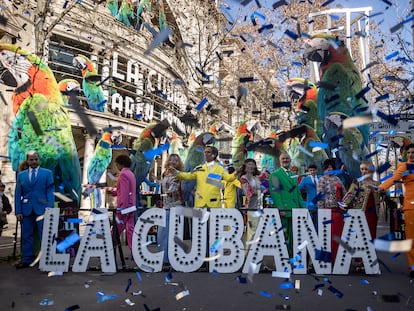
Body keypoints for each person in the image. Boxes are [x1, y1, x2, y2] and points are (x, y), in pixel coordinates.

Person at [378, 143, 414, 278]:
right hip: (410, 207)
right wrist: (382, 187)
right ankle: (412, 267)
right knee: (411, 238)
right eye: (409, 153)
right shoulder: (404, 167)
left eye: (413, 152)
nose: (411, 155)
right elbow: (394, 179)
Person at [15, 151, 54, 268]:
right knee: (26, 235)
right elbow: (18, 194)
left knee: (44, 234)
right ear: (27, 161)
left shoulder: (47, 173)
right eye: (31, 160)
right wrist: (18, 211)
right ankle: (26, 259)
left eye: (36, 159)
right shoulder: (21, 175)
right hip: (26, 209)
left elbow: (50, 191)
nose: (34, 162)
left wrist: (50, 208)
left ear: (39, 160)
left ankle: (46, 259)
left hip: (42, 209)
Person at [174, 146, 239, 208]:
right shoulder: (199, 168)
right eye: (205, 152)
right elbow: (188, 176)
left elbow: (228, 178)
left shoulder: (220, 168)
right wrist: (176, 173)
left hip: (214, 204)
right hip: (200, 203)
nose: (206, 154)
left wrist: (236, 172)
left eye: (208, 152)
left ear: (214, 155)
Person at [269, 153, 305, 252]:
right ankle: (284, 260)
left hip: (295, 210)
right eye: (283, 158)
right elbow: (275, 193)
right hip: (284, 211)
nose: (285, 160)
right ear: (280, 161)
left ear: (290, 160)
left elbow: (297, 193)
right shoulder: (275, 174)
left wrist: (303, 208)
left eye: (287, 158)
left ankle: (292, 259)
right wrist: (280, 208)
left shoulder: (293, 175)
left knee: (295, 237)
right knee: (284, 238)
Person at [317, 158, 346, 263]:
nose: (329, 169)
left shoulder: (337, 179)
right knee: (327, 236)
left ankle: (337, 259)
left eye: (331, 167)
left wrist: (345, 205)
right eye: (327, 167)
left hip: (338, 212)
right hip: (327, 212)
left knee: (338, 235)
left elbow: (345, 193)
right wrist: (321, 213)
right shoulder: (321, 180)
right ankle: (327, 259)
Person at [157, 153, 184, 266]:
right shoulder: (165, 173)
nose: (173, 162)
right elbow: (163, 187)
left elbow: (173, 188)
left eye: (175, 160)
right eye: (171, 160)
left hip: (175, 206)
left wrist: (167, 193)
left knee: (172, 234)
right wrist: (156, 182)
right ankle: (163, 258)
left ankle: (171, 259)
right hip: (165, 206)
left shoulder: (179, 175)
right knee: (162, 233)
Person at [343, 161, 380, 240]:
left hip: (373, 214)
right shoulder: (357, 182)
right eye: (362, 169)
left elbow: (384, 196)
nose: (363, 171)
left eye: (366, 169)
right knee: (360, 235)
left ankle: (371, 250)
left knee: (371, 233)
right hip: (359, 212)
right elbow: (349, 195)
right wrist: (342, 205)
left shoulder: (377, 184)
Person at [111, 154, 136, 252]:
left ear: (120, 164)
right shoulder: (130, 173)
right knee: (130, 230)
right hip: (131, 206)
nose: (116, 166)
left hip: (124, 207)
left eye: (117, 164)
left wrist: (122, 208)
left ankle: (108, 251)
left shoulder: (123, 174)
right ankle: (134, 251)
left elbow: (125, 193)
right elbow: (128, 191)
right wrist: (115, 192)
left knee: (116, 231)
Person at [240, 159, 262, 242]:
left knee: (254, 230)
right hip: (252, 207)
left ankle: (248, 251)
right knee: (253, 231)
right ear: (245, 167)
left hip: (259, 206)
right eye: (249, 164)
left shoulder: (256, 178)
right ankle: (248, 252)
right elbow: (248, 194)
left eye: (253, 164)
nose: (251, 166)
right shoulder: (244, 178)